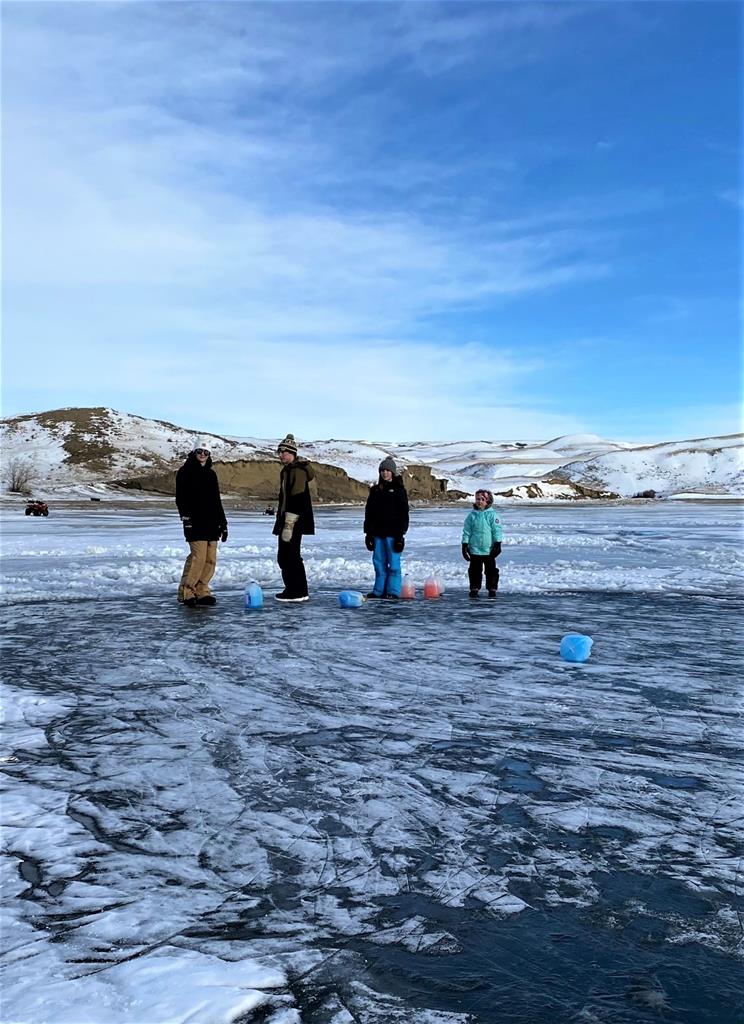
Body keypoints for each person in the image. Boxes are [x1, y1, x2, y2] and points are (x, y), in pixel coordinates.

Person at [175, 440, 228, 607]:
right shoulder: (185, 472)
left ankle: (202, 590)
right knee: (198, 558)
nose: (203, 455)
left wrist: (223, 523)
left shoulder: (211, 474)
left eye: (206, 452)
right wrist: (186, 518)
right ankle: (187, 592)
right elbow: (180, 498)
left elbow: (216, 501)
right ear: (194, 452)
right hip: (195, 522)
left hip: (212, 523)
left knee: (210, 559)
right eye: (200, 451)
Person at [273, 433, 315, 602]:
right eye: (280, 451)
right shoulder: (288, 470)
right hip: (288, 519)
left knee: (289, 555)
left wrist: (289, 524)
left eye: (285, 451)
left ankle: (296, 590)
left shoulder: (297, 470)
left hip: (293, 520)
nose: (282, 454)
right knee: (287, 555)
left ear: (293, 453)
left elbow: (297, 497)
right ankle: (295, 589)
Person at [363, 456, 409, 599]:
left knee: (394, 565)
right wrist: (368, 534)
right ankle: (378, 591)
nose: (385, 473)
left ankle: (393, 591)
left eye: (387, 470)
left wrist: (401, 535)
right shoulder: (375, 490)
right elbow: (369, 512)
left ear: (392, 472)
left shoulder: (399, 490)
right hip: (377, 534)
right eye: (382, 470)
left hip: (393, 534)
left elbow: (403, 513)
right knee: (379, 564)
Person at [461, 489, 502, 598]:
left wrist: (498, 544)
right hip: (474, 549)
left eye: (482, 499)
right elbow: (467, 531)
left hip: (489, 549)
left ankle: (492, 588)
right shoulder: (472, 516)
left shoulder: (492, 515)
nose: (479, 501)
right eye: (477, 499)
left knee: (491, 571)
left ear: (488, 501)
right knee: (474, 571)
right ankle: (474, 588)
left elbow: (496, 530)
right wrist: (464, 545)